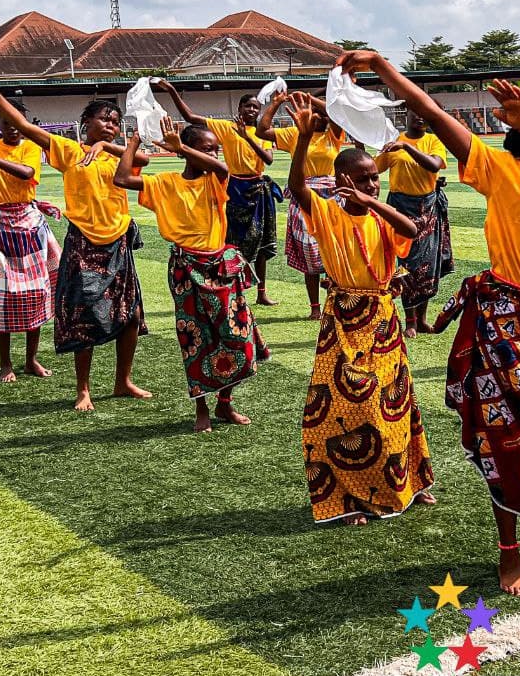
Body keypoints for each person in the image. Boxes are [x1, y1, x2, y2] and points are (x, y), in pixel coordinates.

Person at [338, 52, 520, 597]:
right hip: (506, 320)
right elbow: (431, 112)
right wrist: (383, 68)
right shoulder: (498, 167)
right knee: (502, 438)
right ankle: (510, 553)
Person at [284, 91, 434, 525]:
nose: (371, 184)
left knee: (395, 401)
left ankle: (410, 481)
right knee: (343, 409)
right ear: (340, 179)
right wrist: (302, 139)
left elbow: (411, 229)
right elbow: (296, 188)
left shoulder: (380, 213)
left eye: (373, 178)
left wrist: (372, 203)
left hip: (383, 318)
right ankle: (349, 497)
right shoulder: (326, 213)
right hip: (344, 317)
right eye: (362, 179)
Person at [0, 88, 153, 411]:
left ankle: (122, 381)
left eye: (115, 121)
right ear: (86, 122)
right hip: (84, 241)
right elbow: (28, 129)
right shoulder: (70, 151)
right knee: (83, 317)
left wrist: (105, 145)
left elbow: (142, 158)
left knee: (132, 315)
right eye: (103, 119)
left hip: (118, 241)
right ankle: (83, 389)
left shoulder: (116, 154)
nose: (111, 124)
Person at [114, 118, 266, 432]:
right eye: (207, 149)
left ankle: (225, 403)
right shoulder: (165, 182)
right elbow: (123, 178)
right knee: (196, 339)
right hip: (186, 269)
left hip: (220, 268)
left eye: (216, 150)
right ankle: (202, 408)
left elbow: (223, 169)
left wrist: (180, 146)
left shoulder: (216, 179)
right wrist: (133, 141)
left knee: (238, 338)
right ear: (187, 154)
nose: (214, 156)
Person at [154, 80, 280, 307]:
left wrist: (247, 137)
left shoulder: (262, 132)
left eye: (255, 108)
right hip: (233, 187)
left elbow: (268, 160)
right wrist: (172, 91)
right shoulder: (225, 127)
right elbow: (192, 118)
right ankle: (230, 285)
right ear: (239, 109)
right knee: (230, 240)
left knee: (262, 242)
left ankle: (262, 291)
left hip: (258, 189)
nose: (251, 110)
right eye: (247, 106)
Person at [0, 100, 62, 382]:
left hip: (27, 224)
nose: (12, 128)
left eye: (17, 122)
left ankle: (31, 359)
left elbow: (27, 173)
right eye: (6, 123)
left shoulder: (31, 146)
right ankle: (6, 363)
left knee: (36, 292)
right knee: (3, 295)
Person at [256, 90, 347, 319]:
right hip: (304, 195)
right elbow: (262, 130)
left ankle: (333, 304)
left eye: (322, 113)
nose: (322, 117)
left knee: (333, 251)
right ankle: (315, 307)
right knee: (309, 251)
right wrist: (276, 103)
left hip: (332, 198)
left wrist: (312, 100)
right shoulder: (293, 134)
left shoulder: (334, 135)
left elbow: (336, 114)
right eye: (317, 113)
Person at [374, 111, 453, 337]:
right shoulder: (393, 142)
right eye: (415, 114)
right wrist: (363, 142)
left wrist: (407, 148)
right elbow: (374, 167)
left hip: (427, 208)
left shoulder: (432, 141)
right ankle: (410, 320)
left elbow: (434, 165)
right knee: (406, 263)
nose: (420, 118)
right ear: (406, 116)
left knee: (427, 265)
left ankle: (422, 319)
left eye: (424, 115)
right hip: (401, 207)